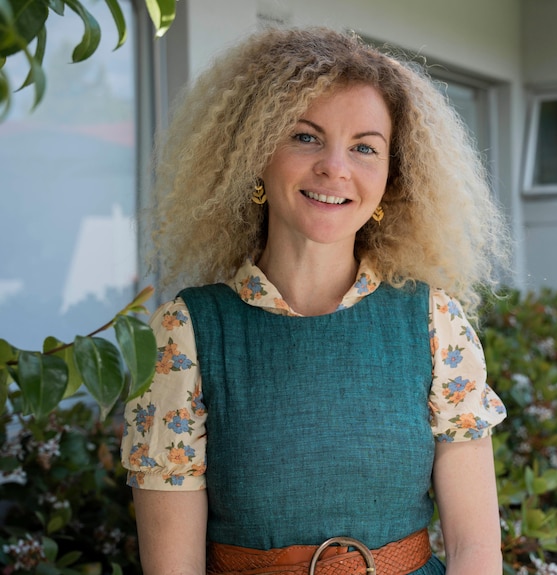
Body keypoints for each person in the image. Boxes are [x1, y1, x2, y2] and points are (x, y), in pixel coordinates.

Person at [121, 26, 510, 575]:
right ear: (254, 154)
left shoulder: (433, 322)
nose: (335, 167)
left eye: (365, 148)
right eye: (305, 137)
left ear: (390, 179)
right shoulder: (186, 334)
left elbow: (476, 551)